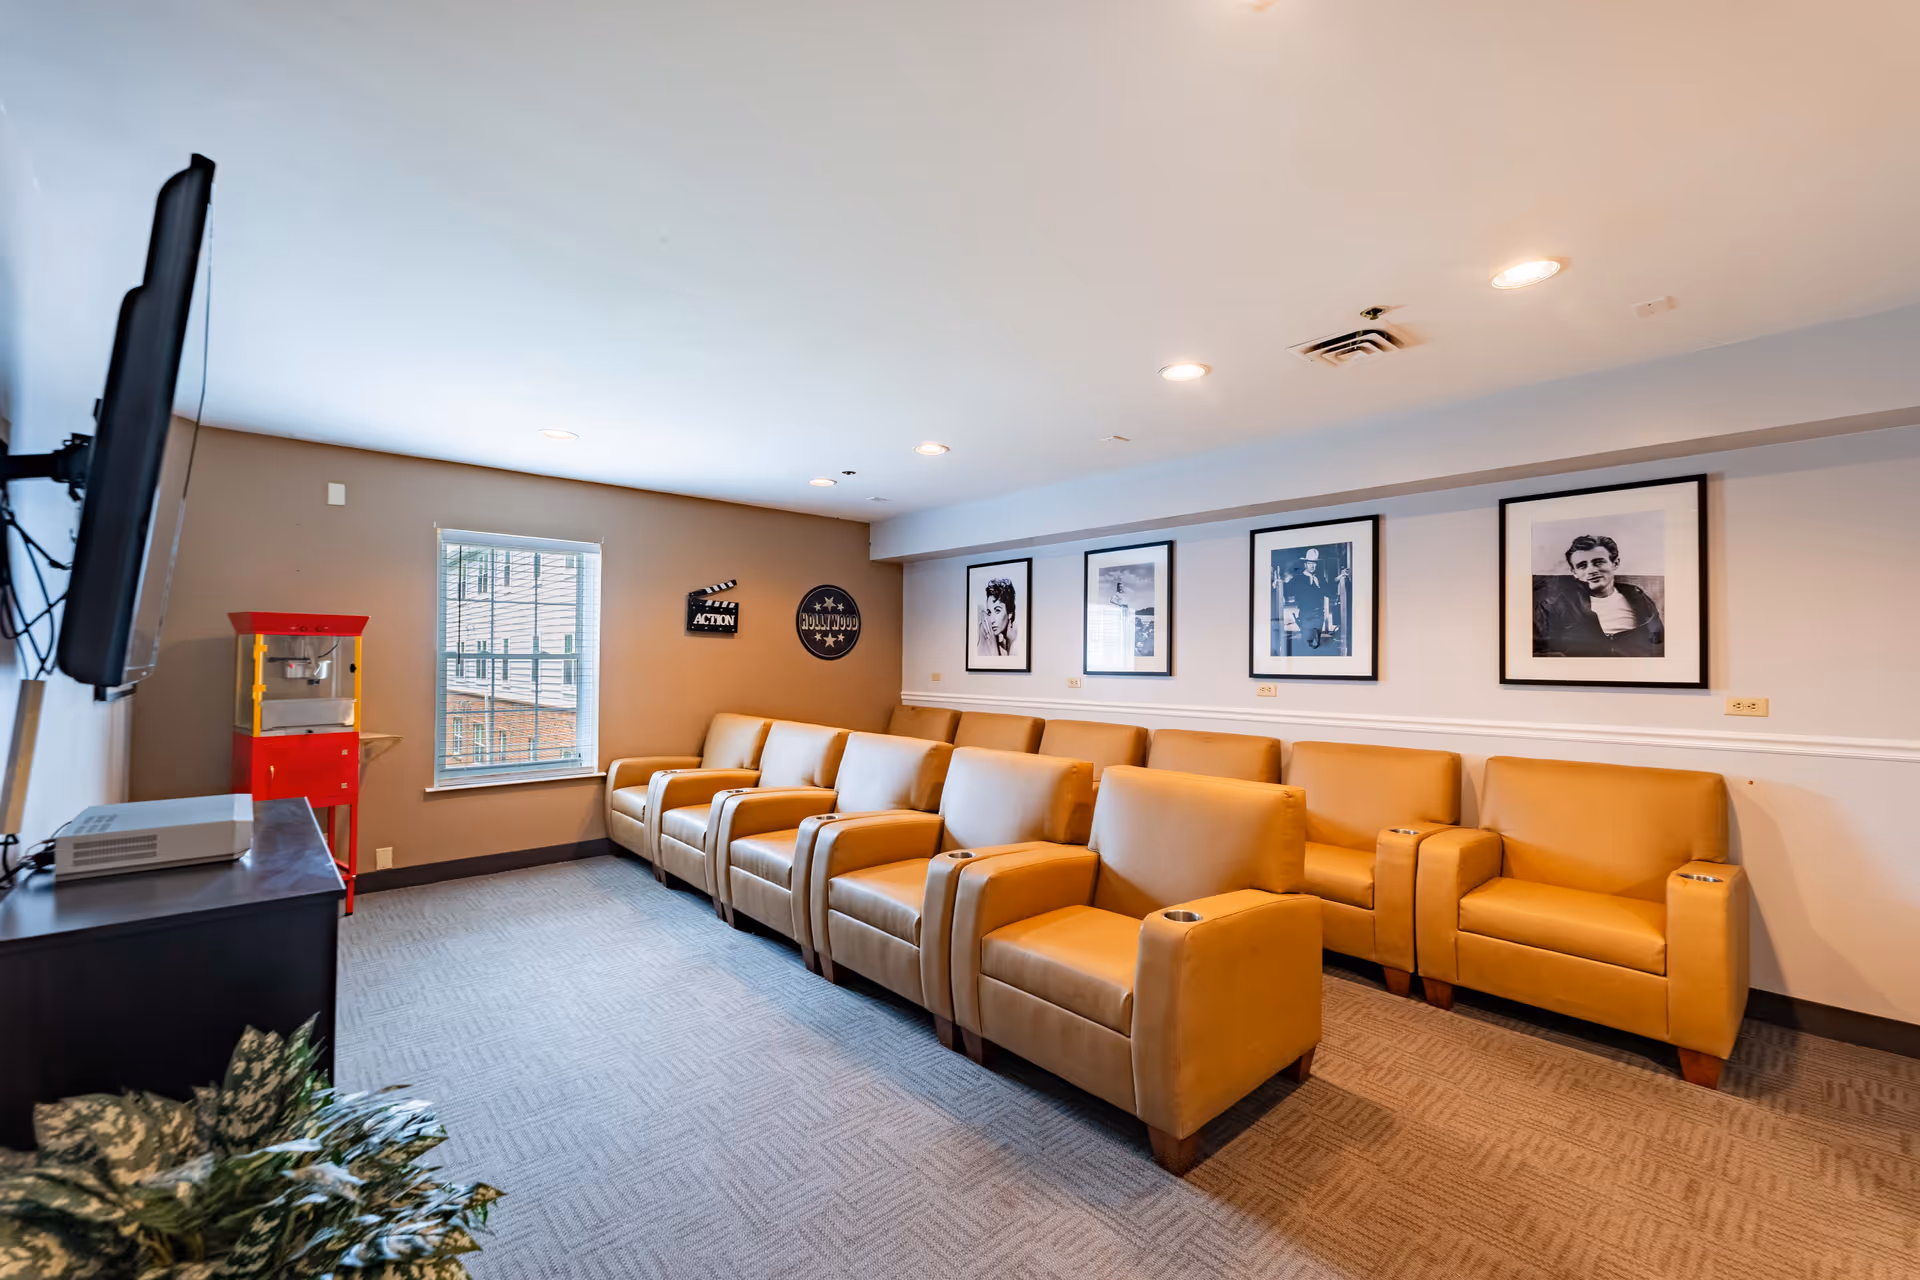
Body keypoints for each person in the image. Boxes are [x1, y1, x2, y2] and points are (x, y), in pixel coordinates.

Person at [1533, 534, 1664, 657]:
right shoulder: (1557, 604)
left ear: (1615, 563)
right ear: (1574, 572)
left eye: (1598, 562)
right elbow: (1542, 651)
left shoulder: (1637, 596)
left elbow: (1659, 641)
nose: (1591, 570)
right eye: (1582, 566)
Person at [976, 577, 1018, 657]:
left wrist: (994, 647)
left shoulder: (1017, 646)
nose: (992, 620)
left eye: (997, 611)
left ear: (1010, 613)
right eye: (989, 612)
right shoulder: (1003, 645)